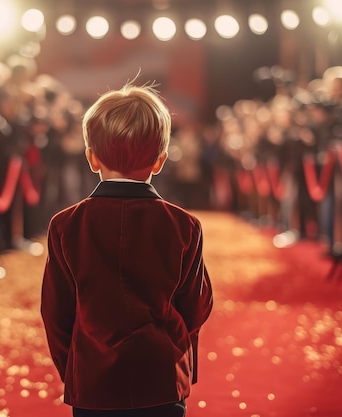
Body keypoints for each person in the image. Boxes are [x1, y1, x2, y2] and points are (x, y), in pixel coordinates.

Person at [40, 82, 214, 416]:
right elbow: (196, 306)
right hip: (161, 375)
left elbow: (56, 312)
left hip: (93, 380)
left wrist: (74, 370)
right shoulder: (183, 225)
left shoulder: (66, 225)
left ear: (92, 157)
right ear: (160, 160)